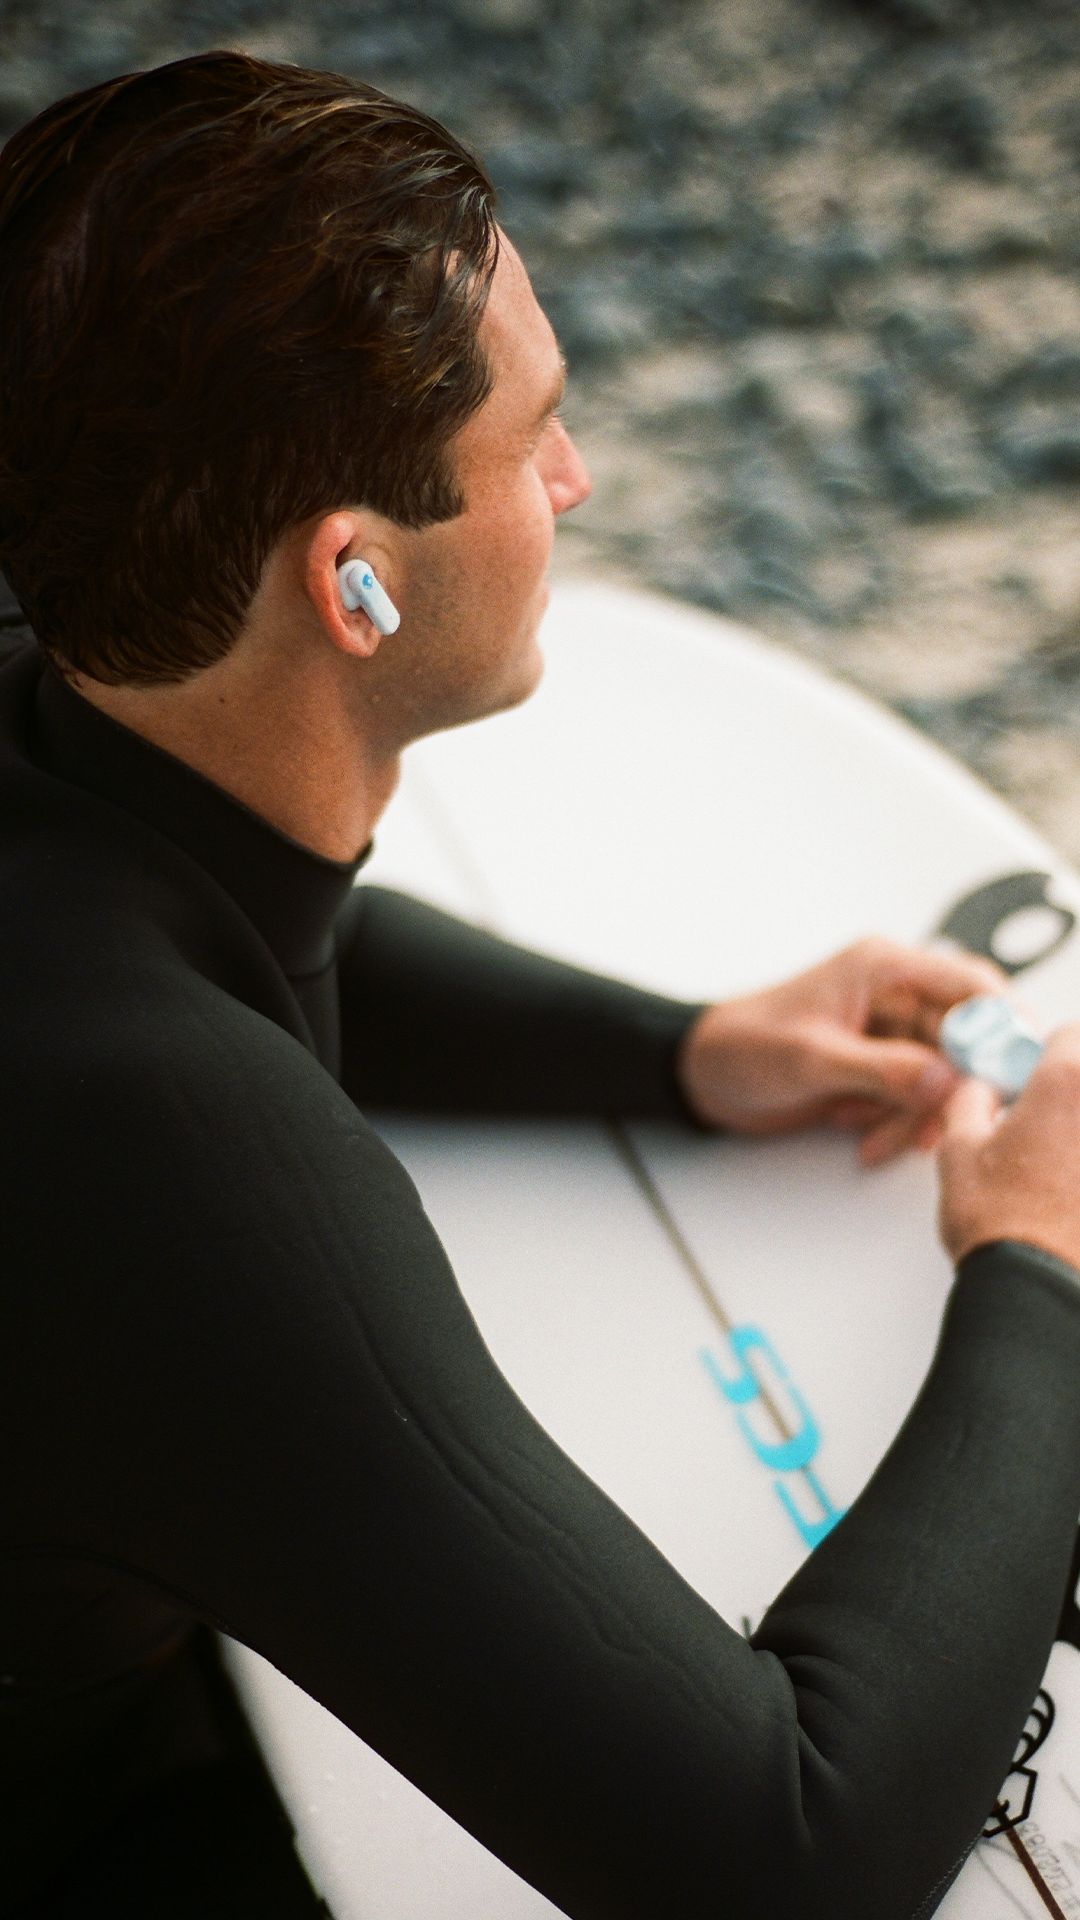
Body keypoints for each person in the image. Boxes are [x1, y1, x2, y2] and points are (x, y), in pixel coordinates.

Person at [2, 50, 1080, 1920]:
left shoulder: (54, 642)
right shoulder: (170, 1164)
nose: (575, 481)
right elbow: (782, 1858)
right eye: (535, 437)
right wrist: (1039, 1270)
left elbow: (225, 918)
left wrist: (679, 1052)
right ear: (354, 584)